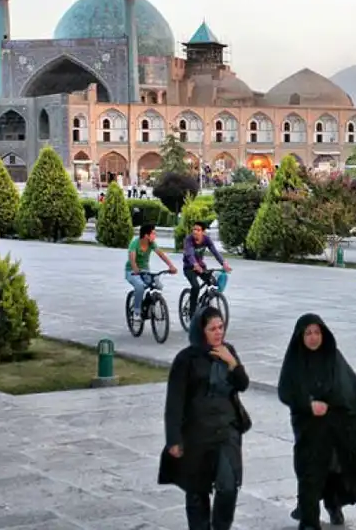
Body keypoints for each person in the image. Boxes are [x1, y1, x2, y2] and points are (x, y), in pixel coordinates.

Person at [278, 314, 356, 529]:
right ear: (300, 336)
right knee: (308, 475)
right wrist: (308, 405)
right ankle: (309, 522)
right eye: (308, 333)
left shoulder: (333, 358)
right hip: (308, 431)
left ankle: (333, 503)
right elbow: (285, 392)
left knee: (335, 470)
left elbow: (349, 391)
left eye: (317, 332)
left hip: (335, 428)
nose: (313, 337)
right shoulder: (295, 361)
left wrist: (333, 405)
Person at [159, 306, 249, 530]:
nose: (218, 333)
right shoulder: (186, 359)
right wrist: (173, 439)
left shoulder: (228, 351)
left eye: (221, 327)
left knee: (228, 486)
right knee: (197, 491)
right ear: (201, 331)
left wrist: (233, 363)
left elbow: (243, 384)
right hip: (196, 433)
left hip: (226, 430)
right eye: (212, 329)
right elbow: (175, 401)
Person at [126, 224, 178, 319]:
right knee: (140, 286)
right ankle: (136, 312)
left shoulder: (152, 244)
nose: (155, 235)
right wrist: (135, 268)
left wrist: (171, 266)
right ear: (146, 235)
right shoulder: (135, 243)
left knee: (158, 285)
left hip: (145, 271)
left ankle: (150, 305)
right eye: (153, 233)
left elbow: (161, 254)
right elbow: (132, 258)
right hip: (132, 271)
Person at [182, 221, 232, 316]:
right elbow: (190, 254)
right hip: (189, 268)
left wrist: (223, 263)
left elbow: (215, 252)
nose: (195, 232)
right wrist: (195, 264)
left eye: (198, 230)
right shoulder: (189, 240)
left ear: (203, 232)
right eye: (194, 229)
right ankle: (192, 313)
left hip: (201, 267)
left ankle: (205, 303)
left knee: (212, 283)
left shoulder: (206, 240)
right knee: (196, 287)